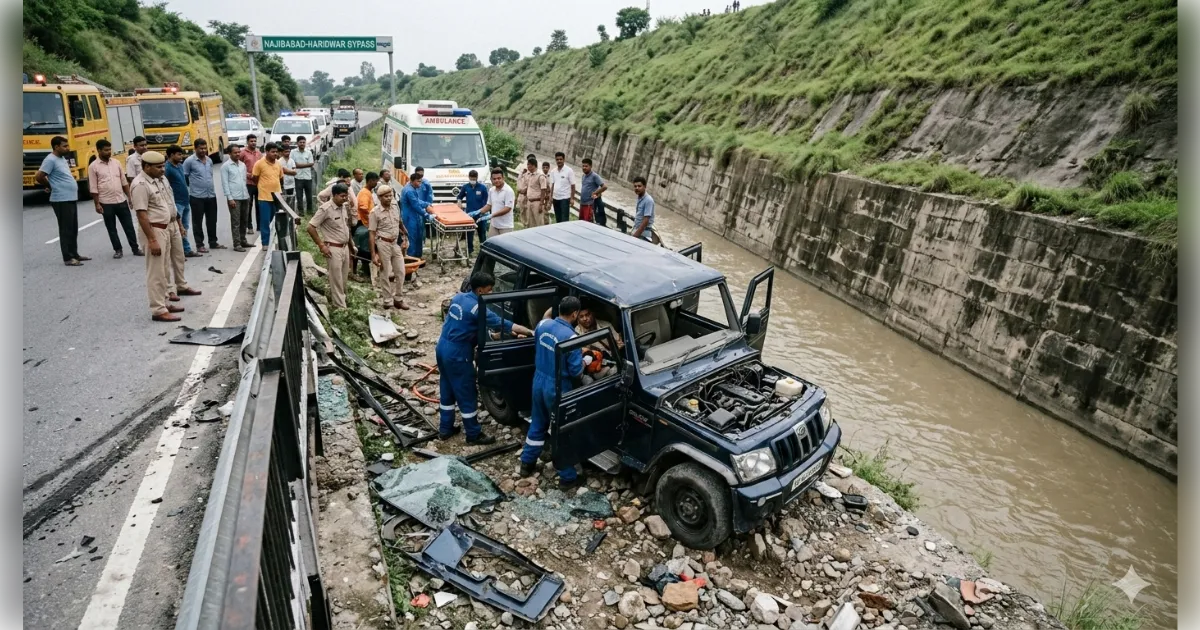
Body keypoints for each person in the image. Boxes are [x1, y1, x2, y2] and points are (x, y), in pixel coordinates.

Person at [436, 271, 533, 444]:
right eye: (489, 290)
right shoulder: (478, 308)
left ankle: (445, 428)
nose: (491, 293)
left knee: (447, 386)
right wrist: (530, 332)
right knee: (466, 391)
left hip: (442, 346)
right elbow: (503, 323)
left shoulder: (459, 298)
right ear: (480, 290)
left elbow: (472, 325)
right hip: (458, 353)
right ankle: (473, 434)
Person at [520, 295, 585, 488]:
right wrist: (585, 362)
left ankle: (527, 463)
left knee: (538, 422)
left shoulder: (542, 325)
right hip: (557, 388)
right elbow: (576, 371)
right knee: (560, 431)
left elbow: (541, 333)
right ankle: (568, 476)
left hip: (538, 381)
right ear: (575, 314)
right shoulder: (571, 337)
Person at [130, 150, 201, 322]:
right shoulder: (140, 185)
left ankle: (165, 300)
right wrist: (152, 240)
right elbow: (142, 215)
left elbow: (170, 203)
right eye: (159, 167)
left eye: (163, 166)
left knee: (167, 267)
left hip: (170, 225)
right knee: (156, 271)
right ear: (146, 167)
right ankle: (158, 309)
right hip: (155, 230)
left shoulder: (161, 179)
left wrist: (179, 224)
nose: (163, 169)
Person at [37, 136, 90, 266]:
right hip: (60, 198)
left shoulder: (61, 159)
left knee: (73, 228)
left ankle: (75, 253)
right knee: (66, 229)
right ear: (56, 147)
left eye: (67, 145)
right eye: (64, 146)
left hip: (70, 197)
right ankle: (68, 257)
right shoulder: (50, 160)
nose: (68, 148)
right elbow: (39, 176)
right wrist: (50, 186)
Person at [88, 138, 142, 259]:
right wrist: (97, 204)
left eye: (109, 149)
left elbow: (124, 181)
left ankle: (135, 248)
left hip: (120, 200)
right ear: (99, 151)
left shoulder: (116, 163)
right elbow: (93, 188)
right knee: (111, 228)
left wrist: (129, 197)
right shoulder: (93, 167)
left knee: (128, 226)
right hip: (105, 202)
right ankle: (118, 249)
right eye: (106, 150)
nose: (108, 152)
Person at [306, 183, 355, 308]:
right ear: (334, 195)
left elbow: (346, 228)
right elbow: (310, 227)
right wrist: (321, 245)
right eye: (342, 196)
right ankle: (340, 308)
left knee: (343, 279)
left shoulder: (343, 207)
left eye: (346, 196)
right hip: (333, 249)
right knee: (336, 279)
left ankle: (342, 302)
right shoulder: (325, 209)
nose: (345, 199)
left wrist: (351, 246)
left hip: (344, 248)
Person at [369, 185, 410, 310]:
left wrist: (404, 231)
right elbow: (371, 234)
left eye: (390, 195)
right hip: (382, 244)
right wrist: (373, 254)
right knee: (385, 272)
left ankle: (398, 298)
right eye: (386, 196)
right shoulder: (375, 212)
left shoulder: (395, 206)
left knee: (401, 271)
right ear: (379, 197)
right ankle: (387, 300)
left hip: (394, 243)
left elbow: (399, 221)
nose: (389, 198)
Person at [250, 142, 296, 250]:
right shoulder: (259, 164)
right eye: (272, 152)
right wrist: (263, 187)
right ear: (266, 152)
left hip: (277, 197)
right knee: (265, 221)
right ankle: (265, 243)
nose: (275, 154)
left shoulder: (278, 164)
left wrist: (280, 190)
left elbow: (280, 179)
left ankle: (276, 241)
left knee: (276, 220)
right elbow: (255, 178)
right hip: (264, 197)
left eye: (276, 152)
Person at [183, 138, 222, 253]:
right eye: (200, 148)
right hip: (196, 197)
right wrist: (192, 189)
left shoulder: (209, 160)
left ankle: (213, 242)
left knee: (212, 220)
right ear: (195, 148)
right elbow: (185, 177)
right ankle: (199, 244)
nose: (203, 151)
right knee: (197, 222)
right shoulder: (189, 161)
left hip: (211, 195)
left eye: (205, 148)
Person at [164, 145, 198, 258]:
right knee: (177, 228)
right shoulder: (167, 168)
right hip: (176, 202)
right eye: (179, 154)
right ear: (172, 155)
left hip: (185, 200)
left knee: (184, 227)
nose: (181, 156)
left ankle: (186, 250)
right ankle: (178, 252)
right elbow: (165, 186)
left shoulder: (179, 166)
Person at [576, 303, 622, 382]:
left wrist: (613, 352)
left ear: (592, 314)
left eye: (587, 315)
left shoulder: (605, 325)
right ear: (577, 319)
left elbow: (620, 343)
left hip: (612, 361)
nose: (585, 318)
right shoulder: (576, 333)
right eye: (581, 317)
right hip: (593, 366)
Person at [221, 144, 251, 252]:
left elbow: (244, 181)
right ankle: (237, 244)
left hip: (245, 196)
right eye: (235, 152)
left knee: (244, 220)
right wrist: (230, 198)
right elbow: (225, 184)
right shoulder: (226, 166)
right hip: (234, 198)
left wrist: (247, 195)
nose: (238, 154)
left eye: (239, 152)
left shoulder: (242, 165)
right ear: (229, 153)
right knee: (236, 222)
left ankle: (243, 240)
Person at [456, 169, 490, 255]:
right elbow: (460, 196)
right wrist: (459, 202)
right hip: (470, 214)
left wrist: (484, 212)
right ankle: (469, 250)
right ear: (469, 178)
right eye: (471, 178)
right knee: (469, 233)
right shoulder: (466, 187)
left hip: (480, 214)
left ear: (477, 178)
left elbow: (487, 201)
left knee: (482, 233)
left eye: (474, 179)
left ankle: (484, 250)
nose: (472, 180)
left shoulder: (482, 188)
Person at [402, 171, 434, 258]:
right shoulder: (409, 191)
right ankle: (411, 258)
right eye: (418, 181)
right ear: (412, 181)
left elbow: (417, 201)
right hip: (409, 218)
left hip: (415, 217)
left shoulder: (412, 189)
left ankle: (418, 257)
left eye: (420, 181)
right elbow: (415, 205)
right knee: (412, 238)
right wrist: (427, 215)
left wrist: (426, 204)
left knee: (418, 237)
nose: (420, 183)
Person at [354, 172, 380, 278]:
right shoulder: (365, 193)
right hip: (364, 224)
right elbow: (363, 208)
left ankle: (366, 270)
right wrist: (372, 218)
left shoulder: (368, 192)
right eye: (375, 181)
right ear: (370, 181)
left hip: (367, 223)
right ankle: (364, 271)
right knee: (364, 249)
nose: (376, 183)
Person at [479, 169, 515, 238]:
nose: (496, 180)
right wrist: (479, 212)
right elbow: (489, 205)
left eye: (499, 178)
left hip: (505, 226)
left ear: (503, 178)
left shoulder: (508, 191)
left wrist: (492, 215)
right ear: (491, 180)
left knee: (504, 247)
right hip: (494, 225)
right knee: (492, 245)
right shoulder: (491, 190)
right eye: (494, 179)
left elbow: (507, 208)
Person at [516, 157, 550, 229]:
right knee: (530, 223)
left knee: (538, 222)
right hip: (529, 202)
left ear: (533, 165)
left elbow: (543, 190)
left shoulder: (540, 176)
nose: (527, 166)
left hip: (537, 202)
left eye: (529, 165)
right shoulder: (529, 175)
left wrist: (541, 204)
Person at [240, 134, 262, 233]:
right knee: (248, 206)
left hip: (258, 183)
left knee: (259, 205)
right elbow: (239, 167)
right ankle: (249, 226)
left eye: (254, 141)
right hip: (248, 183)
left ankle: (259, 226)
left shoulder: (258, 153)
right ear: (247, 142)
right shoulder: (242, 153)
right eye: (251, 141)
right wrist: (249, 175)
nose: (253, 143)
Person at [579, 158, 608, 226]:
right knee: (580, 222)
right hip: (582, 203)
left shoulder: (595, 176)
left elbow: (604, 187)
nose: (584, 168)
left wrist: (595, 193)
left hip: (589, 204)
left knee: (587, 223)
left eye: (586, 166)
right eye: (583, 166)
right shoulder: (583, 176)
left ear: (591, 166)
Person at [292, 136, 316, 214]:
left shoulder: (308, 152)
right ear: (297, 143)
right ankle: (301, 212)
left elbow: (312, 163)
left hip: (308, 177)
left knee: (309, 196)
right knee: (299, 196)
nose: (302, 144)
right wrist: (306, 164)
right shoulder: (293, 152)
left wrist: (299, 165)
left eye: (303, 142)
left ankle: (309, 212)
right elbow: (294, 165)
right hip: (298, 177)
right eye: (300, 142)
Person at [549, 152, 575, 223]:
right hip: (555, 198)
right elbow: (552, 185)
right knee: (558, 218)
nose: (559, 161)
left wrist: (572, 198)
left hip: (565, 198)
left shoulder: (569, 171)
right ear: (555, 160)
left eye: (561, 159)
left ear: (564, 160)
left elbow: (573, 185)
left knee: (564, 219)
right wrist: (550, 197)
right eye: (557, 159)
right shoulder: (553, 171)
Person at [632, 176, 655, 242]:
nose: (637, 188)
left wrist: (635, 235)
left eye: (639, 186)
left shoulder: (648, 200)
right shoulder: (640, 198)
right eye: (635, 186)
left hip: (643, 235)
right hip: (638, 231)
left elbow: (646, 220)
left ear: (644, 187)